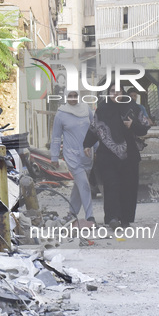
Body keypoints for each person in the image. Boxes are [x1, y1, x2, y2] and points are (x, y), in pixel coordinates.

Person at [83, 83, 151, 229]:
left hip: (129, 157)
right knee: (111, 186)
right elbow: (94, 129)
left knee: (128, 187)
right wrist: (87, 144)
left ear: (123, 92)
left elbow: (144, 129)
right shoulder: (102, 109)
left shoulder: (132, 107)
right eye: (112, 91)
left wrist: (132, 125)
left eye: (118, 91)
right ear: (108, 93)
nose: (115, 94)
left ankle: (125, 219)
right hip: (107, 157)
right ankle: (113, 218)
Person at [51, 90, 95, 224]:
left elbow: (95, 130)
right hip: (71, 154)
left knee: (79, 185)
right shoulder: (61, 114)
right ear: (65, 97)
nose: (73, 98)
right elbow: (56, 137)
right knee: (84, 184)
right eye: (70, 96)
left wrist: (97, 149)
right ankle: (90, 216)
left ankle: (72, 212)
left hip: (87, 154)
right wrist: (54, 156)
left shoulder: (86, 110)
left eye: (75, 95)